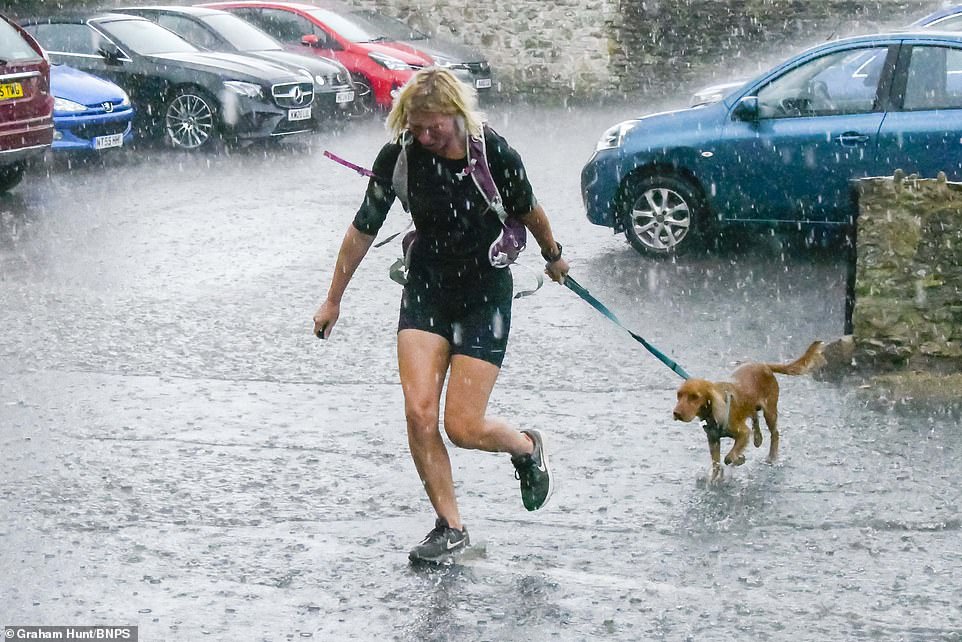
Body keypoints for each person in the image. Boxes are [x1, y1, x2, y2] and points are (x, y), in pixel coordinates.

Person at [312, 68, 569, 564]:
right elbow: (363, 228)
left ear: (457, 115)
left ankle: (525, 447)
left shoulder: (494, 154)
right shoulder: (402, 155)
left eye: (435, 128)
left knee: (463, 426)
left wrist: (553, 253)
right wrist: (333, 298)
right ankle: (450, 527)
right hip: (427, 288)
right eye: (417, 127)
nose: (426, 137)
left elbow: (529, 208)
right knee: (419, 412)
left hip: (484, 293)